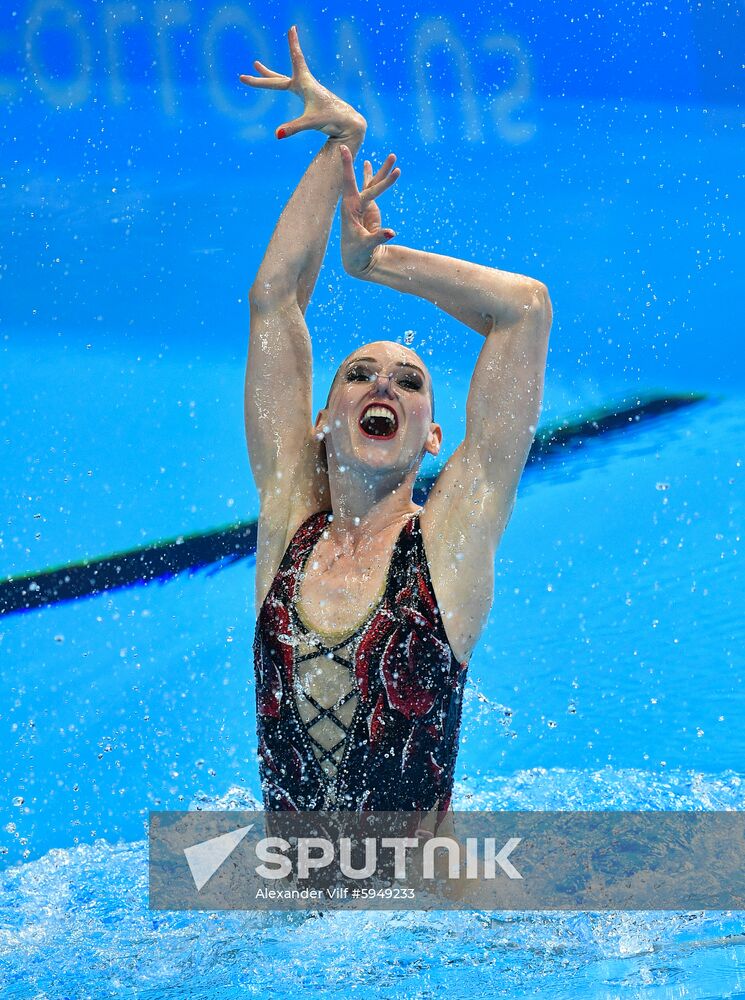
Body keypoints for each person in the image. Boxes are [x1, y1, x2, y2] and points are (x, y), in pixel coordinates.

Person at [241, 28, 552, 826]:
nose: (383, 383)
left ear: (433, 438)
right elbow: (275, 299)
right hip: (293, 910)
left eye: (409, 382)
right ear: (322, 420)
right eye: (359, 374)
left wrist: (375, 264)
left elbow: (522, 309)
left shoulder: (450, 538)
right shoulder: (288, 523)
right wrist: (340, 142)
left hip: (421, 919)